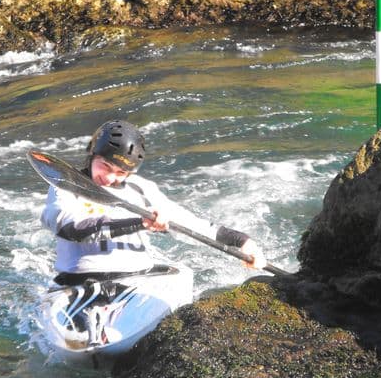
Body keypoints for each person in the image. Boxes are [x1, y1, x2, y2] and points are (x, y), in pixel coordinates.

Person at [41, 119, 267, 286]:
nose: (110, 178)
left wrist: (242, 242)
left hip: (137, 280)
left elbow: (189, 223)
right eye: (105, 166)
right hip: (75, 283)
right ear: (92, 154)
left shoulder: (142, 189)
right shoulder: (65, 185)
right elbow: (71, 229)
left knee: (183, 273)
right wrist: (140, 223)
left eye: (121, 172)